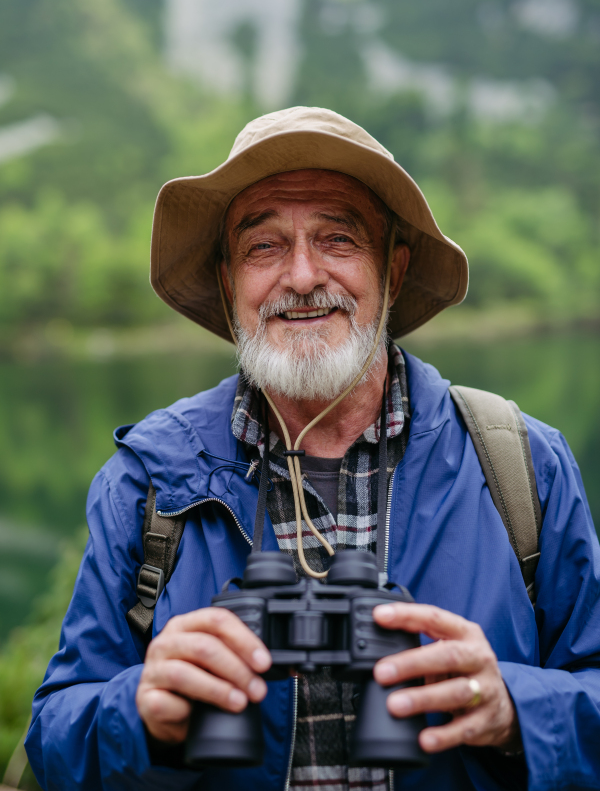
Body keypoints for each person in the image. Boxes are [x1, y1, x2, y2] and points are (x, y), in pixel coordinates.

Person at [26, 107, 600, 791]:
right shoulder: (148, 481)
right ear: (227, 281)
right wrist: (140, 712)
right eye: (263, 247)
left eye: (338, 238)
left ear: (394, 267)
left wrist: (512, 708)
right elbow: (53, 736)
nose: (301, 276)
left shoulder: (521, 465)